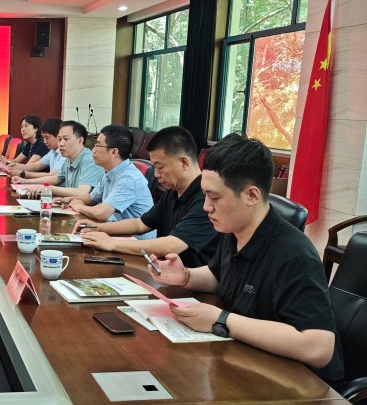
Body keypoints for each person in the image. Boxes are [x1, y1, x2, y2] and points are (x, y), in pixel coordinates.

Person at [145, 134, 343, 382]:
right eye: (205, 195)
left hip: (296, 383)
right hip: (249, 361)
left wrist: (221, 320)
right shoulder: (233, 229)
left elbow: (318, 347)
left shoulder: (293, 254)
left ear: (251, 196)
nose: (206, 206)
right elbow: (219, 275)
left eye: (215, 197)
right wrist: (185, 276)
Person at [74, 126, 218, 267]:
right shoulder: (173, 192)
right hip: (167, 271)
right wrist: (98, 228)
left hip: (192, 277)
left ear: (184, 162)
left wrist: (113, 244)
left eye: (160, 167)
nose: (156, 174)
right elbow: (140, 224)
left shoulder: (205, 198)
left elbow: (173, 245)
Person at [57, 125, 155, 239]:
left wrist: (80, 207)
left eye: (98, 145)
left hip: (134, 241)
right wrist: (69, 200)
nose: (93, 150)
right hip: (115, 233)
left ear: (113, 152)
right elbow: (92, 198)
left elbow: (102, 213)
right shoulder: (110, 171)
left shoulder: (129, 178)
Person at [11, 120, 103, 199]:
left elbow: (82, 192)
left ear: (80, 141)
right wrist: (26, 181)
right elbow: (55, 179)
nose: (61, 144)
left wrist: (48, 188)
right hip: (71, 205)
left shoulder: (90, 160)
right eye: (59, 139)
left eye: (66, 139)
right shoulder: (69, 158)